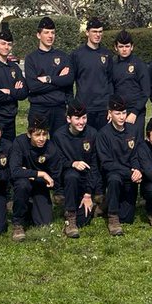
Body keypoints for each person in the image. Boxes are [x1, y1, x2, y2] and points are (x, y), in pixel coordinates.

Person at [51, 101, 100, 238]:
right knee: (72, 175)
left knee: (83, 221)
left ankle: (87, 205)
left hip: (87, 181)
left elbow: (95, 165)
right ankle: (70, 218)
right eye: (77, 118)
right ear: (68, 119)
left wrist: (88, 194)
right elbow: (56, 162)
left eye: (84, 117)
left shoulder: (92, 134)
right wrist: (72, 163)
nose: (81, 122)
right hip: (68, 180)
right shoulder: (58, 136)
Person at [94, 96, 140, 236]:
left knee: (127, 219)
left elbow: (137, 153)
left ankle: (106, 204)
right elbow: (107, 163)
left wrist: (138, 169)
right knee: (114, 179)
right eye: (117, 113)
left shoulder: (133, 130)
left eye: (124, 113)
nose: (121, 117)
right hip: (114, 174)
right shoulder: (103, 134)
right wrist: (129, 172)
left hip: (131, 175)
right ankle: (112, 217)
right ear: (110, 114)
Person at [9, 113, 55, 242]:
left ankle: (29, 206)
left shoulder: (50, 148)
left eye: (44, 134)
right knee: (22, 184)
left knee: (44, 223)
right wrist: (40, 173)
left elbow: (54, 177)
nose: (41, 139)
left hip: (40, 186)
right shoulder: (19, 142)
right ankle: (18, 223)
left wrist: (31, 175)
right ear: (29, 134)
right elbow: (14, 171)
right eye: (37, 135)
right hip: (24, 183)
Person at [24, 17, 73, 135]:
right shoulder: (31, 58)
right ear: (38, 35)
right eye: (46, 32)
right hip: (39, 109)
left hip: (59, 109)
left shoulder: (63, 56)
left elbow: (69, 80)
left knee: (60, 145)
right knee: (37, 144)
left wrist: (48, 79)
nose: (50, 36)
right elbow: (33, 86)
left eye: (53, 33)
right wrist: (58, 81)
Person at [0, 24, 26, 141]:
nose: (6, 47)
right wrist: (14, 92)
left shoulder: (15, 67)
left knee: (10, 149)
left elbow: (23, 93)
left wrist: (8, 91)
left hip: (11, 117)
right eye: (3, 43)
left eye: (9, 44)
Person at [70, 18, 113, 132]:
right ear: (87, 32)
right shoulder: (77, 55)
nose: (98, 34)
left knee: (102, 143)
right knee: (85, 143)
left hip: (102, 107)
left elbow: (110, 81)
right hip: (84, 107)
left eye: (100, 31)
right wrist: (71, 104)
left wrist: (110, 107)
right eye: (94, 31)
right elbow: (70, 82)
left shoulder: (106, 54)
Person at [109, 30, 148, 132]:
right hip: (118, 110)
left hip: (136, 111)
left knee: (136, 143)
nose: (124, 49)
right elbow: (110, 89)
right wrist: (111, 110)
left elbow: (146, 91)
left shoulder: (139, 64)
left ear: (132, 47)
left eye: (127, 46)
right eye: (121, 47)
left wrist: (135, 112)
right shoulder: (112, 65)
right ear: (116, 47)